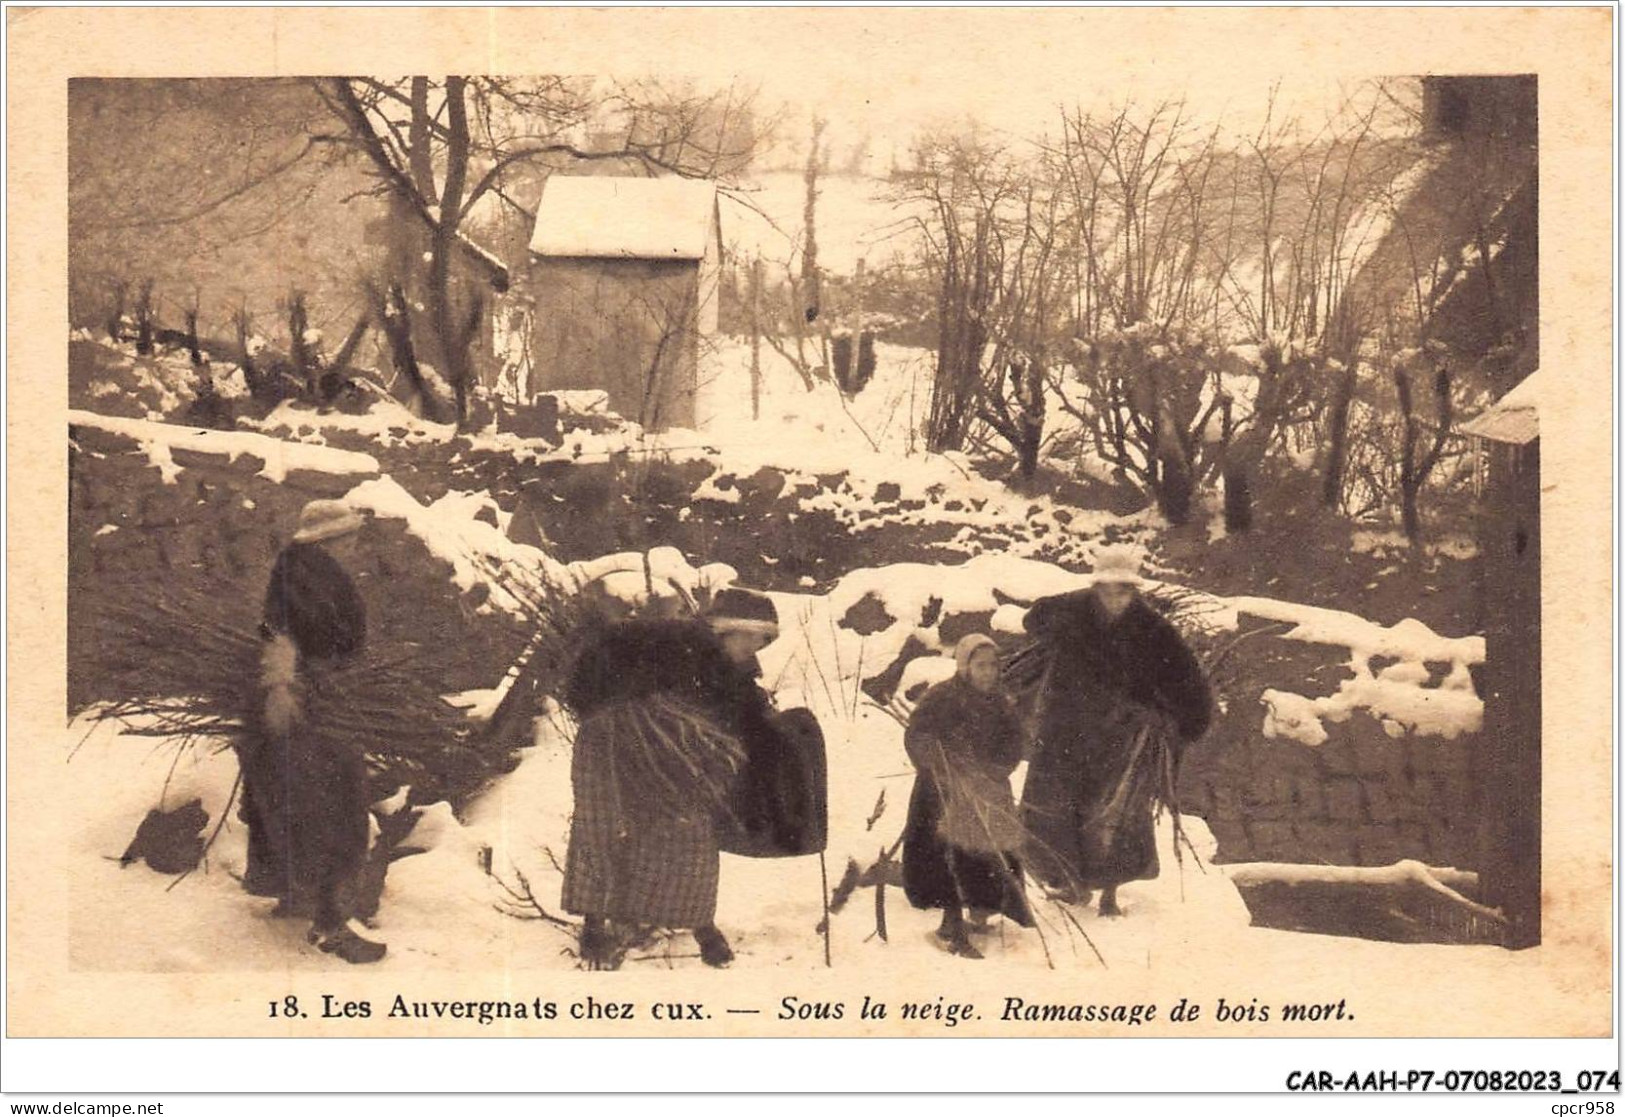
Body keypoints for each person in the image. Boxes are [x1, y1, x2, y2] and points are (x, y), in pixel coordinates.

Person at [560, 586, 783, 970]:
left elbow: (740, 713)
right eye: (752, 640)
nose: (755, 650)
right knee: (601, 827)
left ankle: (699, 924)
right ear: (729, 629)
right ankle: (595, 924)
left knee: (690, 831)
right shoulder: (670, 641)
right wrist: (625, 715)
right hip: (609, 743)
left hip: (669, 760)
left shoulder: (732, 668)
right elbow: (591, 670)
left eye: (762, 643)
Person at [1019, 545, 1212, 917]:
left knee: (1113, 813)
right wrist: (1068, 606)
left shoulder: (1153, 630)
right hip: (1065, 729)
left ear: (1134, 590)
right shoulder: (1073, 612)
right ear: (1095, 587)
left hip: (1119, 735)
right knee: (1054, 811)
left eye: (1121, 589)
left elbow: (1189, 681)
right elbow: (1035, 618)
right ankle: (1070, 883)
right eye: (1105, 588)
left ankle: (1109, 893)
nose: (1113, 596)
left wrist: (1183, 723)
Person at [242, 498, 385, 964]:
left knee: (300, 800)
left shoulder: (300, 570)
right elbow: (287, 638)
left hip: (309, 696)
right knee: (335, 805)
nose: (356, 545)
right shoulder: (311, 576)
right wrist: (290, 688)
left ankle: (295, 896)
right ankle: (329, 925)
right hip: (311, 703)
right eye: (351, 538)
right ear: (331, 540)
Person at [902, 634, 1035, 959]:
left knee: (989, 851)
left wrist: (995, 768)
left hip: (988, 787)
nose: (988, 672)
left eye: (993, 665)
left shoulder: (1001, 702)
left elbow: (1015, 742)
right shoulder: (941, 697)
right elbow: (917, 735)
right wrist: (941, 764)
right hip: (943, 790)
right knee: (948, 852)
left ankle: (979, 911)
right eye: (980, 666)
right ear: (964, 666)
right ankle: (950, 924)